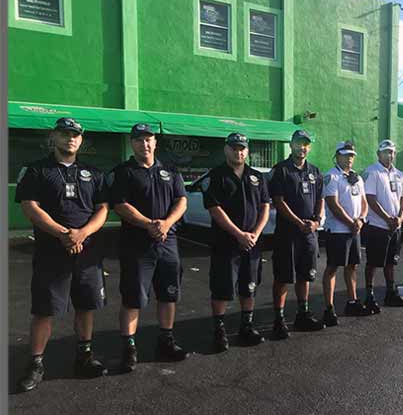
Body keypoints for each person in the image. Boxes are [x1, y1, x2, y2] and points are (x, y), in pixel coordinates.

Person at [15, 118, 109, 391]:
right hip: (51, 252)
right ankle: (36, 364)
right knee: (44, 310)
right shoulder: (36, 170)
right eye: (65, 133)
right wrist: (63, 234)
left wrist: (82, 234)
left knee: (86, 306)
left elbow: (103, 209)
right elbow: (30, 207)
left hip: (87, 253)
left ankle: (84, 357)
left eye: (75, 135)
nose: (70, 138)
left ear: (81, 140)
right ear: (53, 137)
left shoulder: (94, 173)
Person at [110, 123, 189, 373]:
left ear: (155, 142)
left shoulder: (170, 170)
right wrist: (149, 224)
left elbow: (181, 200)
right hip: (137, 245)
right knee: (133, 298)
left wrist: (166, 223)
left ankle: (166, 341)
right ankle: (129, 349)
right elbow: (120, 205)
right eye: (138, 140)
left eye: (148, 139)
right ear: (132, 144)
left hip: (168, 242)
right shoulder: (124, 172)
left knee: (168, 294)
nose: (144, 144)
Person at [200, 133, 270, 351]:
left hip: (252, 243)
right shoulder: (216, 176)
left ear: (247, 151)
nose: (238, 152)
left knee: (249, 287)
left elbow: (265, 206)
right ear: (226, 149)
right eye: (234, 148)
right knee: (222, 288)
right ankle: (219, 331)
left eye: (242, 148)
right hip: (226, 243)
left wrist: (255, 234)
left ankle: (246, 327)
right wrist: (239, 234)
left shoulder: (257, 177)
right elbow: (215, 209)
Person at [269, 130, 325, 338]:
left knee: (305, 275)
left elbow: (320, 199)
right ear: (291, 145)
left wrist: (316, 221)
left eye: (306, 144)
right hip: (287, 234)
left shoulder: (315, 171)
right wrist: (298, 222)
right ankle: (279, 320)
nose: (303, 147)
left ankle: (303, 315)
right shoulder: (281, 170)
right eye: (299, 143)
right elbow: (278, 201)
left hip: (308, 233)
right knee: (283, 277)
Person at [322, 141, 370, 323]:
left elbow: (364, 202)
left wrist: (361, 220)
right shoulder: (331, 176)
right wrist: (351, 222)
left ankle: (352, 301)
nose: (349, 158)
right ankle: (329, 308)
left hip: (354, 229)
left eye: (351, 155)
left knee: (352, 266)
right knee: (333, 267)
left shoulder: (357, 178)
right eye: (345, 155)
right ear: (337, 156)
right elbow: (333, 204)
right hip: (337, 230)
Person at [362, 139, 403, 311]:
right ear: (378, 154)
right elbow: (370, 198)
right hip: (378, 226)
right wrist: (387, 218)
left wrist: (400, 217)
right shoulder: (372, 172)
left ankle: (390, 293)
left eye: (391, 152)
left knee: (391, 262)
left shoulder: (399, 174)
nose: (389, 155)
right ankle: (369, 296)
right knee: (373, 263)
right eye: (385, 152)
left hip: (395, 226)